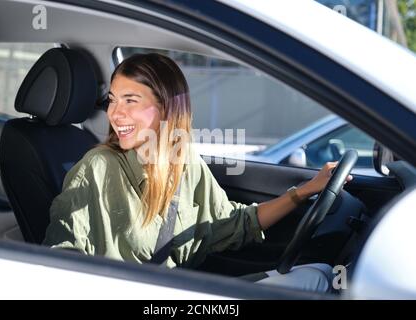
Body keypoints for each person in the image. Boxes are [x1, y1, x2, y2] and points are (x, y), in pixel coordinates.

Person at [43, 53, 352, 293]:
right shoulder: (97, 168)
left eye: (130, 101)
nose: (115, 113)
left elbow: (232, 223)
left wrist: (304, 191)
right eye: (112, 101)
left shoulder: (184, 160)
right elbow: (58, 262)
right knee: (316, 284)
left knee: (318, 273)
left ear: (165, 108)